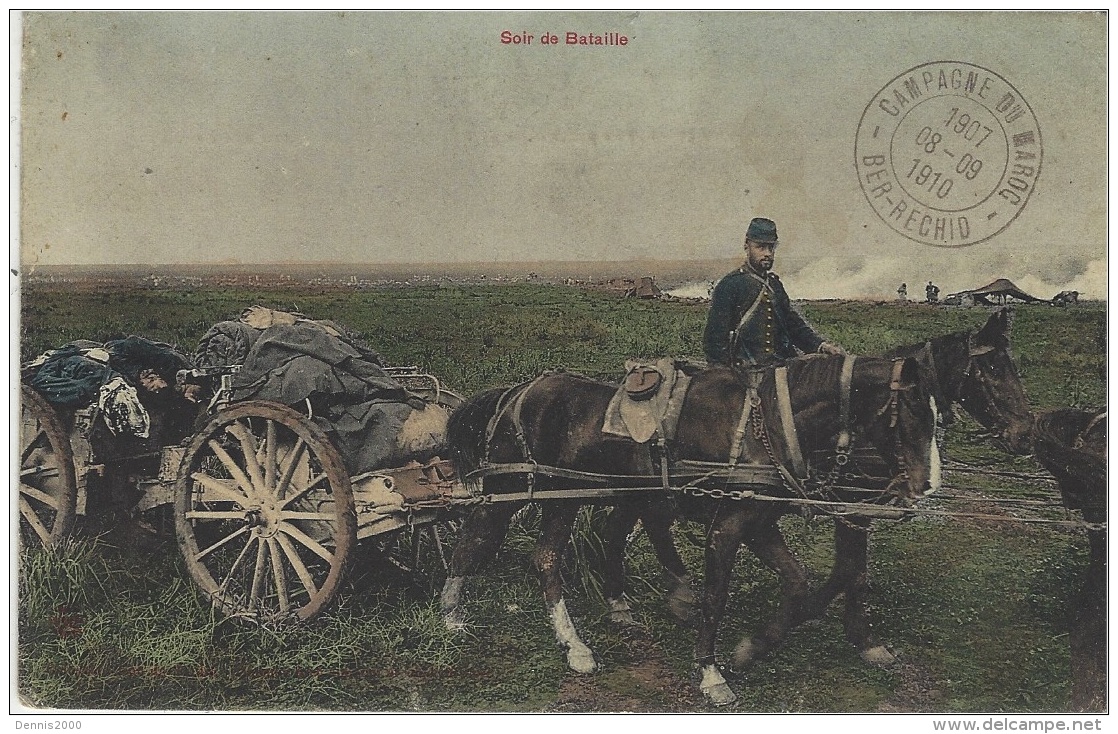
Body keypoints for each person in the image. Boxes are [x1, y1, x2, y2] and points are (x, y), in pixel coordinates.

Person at [703, 217, 844, 367]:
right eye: (761, 247)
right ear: (747, 245)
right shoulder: (730, 285)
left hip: (781, 368)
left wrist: (820, 345)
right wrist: (725, 375)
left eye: (771, 248)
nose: (768, 253)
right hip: (746, 373)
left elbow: (793, 325)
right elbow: (715, 340)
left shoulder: (775, 285)